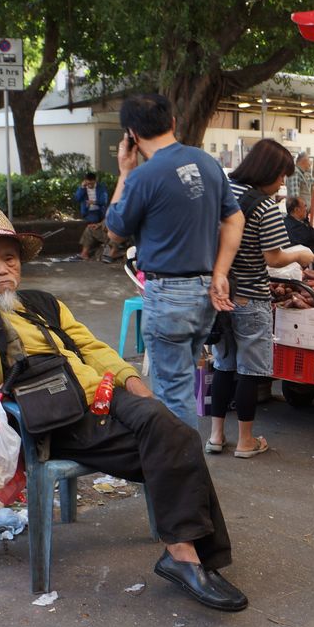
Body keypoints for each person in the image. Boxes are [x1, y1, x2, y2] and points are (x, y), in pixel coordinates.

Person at [0, 209, 246, 611]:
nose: (2, 268)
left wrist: (131, 381)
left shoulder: (43, 303)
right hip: (52, 416)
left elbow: (91, 347)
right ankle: (190, 556)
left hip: (99, 397)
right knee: (173, 441)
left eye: (9, 258)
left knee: (177, 434)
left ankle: (187, 555)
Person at [105, 93, 243, 426]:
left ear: (132, 135)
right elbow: (235, 219)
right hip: (206, 291)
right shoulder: (207, 162)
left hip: (168, 295)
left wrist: (124, 172)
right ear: (173, 123)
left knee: (172, 395)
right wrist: (221, 272)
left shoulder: (143, 176)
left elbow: (114, 230)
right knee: (182, 384)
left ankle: (182, 473)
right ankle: (184, 471)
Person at [209, 140, 314, 458]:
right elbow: (274, 258)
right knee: (251, 370)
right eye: (282, 176)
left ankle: (216, 436)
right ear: (268, 171)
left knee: (224, 366)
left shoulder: (223, 191)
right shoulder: (264, 206)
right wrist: (301, 253)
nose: (283, 183)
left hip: (220, 294)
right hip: (251, 296)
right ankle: (245, 441)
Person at [75, 172, 114, 261]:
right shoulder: (83, 188)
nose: (89, 185)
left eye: (91, 183)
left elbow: (104, 201)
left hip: (100, 211)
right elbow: (77, 198)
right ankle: (84, 253)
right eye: (88, 183)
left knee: (95, 222)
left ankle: (89, 251)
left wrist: (94, 202)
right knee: (93, 221)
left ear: (95, 181)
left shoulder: (101, 187)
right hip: (90, 212)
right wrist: (82, 188)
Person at [285, 151, 314, 226]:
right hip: (297, 215)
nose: (310, 164)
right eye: (309, 161)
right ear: (304, 161)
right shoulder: (295, 173)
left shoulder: (302, 174)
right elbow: (295, 197)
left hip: (301, 214)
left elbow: (311, 179)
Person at [284, 195, 314, 268]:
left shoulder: (302, 221)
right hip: (309, 263)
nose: (306, 209)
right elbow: (310, 240)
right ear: (297, 210)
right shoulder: (290, 226)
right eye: (305, 206)